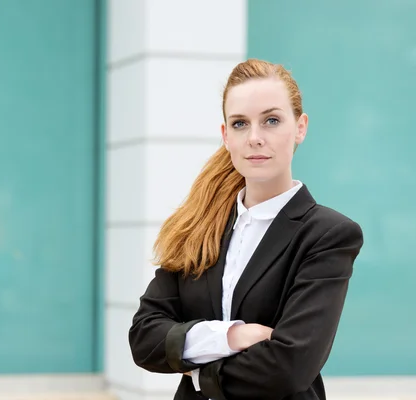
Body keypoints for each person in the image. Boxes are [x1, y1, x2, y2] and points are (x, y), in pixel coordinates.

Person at [128, 58, 364, 400]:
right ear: (225, 135)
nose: (255, 138)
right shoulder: (198, 228)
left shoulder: (328, 236)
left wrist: (197, 370)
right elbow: (144, 339)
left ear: (300, 127)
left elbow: (289, 368)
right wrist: (231, 337)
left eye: (271, 120)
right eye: (240, 124)